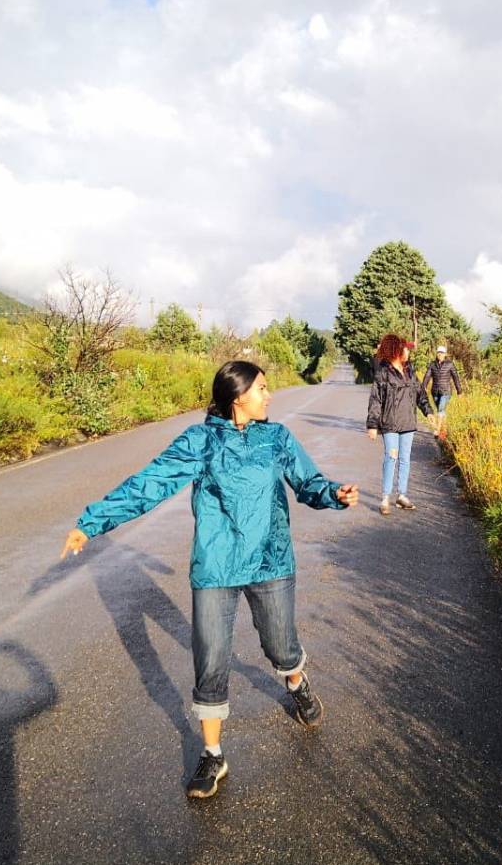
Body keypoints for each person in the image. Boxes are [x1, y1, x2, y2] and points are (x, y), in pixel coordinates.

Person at [59, 361, 359, 800]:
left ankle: (296, 682)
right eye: (261, 389)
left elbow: (307, 481)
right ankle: (213, 754)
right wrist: (93, 522)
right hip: (216, 565)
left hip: (271, 560)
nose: (268, 396)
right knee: (211, 656)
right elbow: (150, 483)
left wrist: (333, 493)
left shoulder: (276, 438)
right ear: (236, 397)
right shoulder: (200, 441)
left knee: (280, 645)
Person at [366, 333, 431, 516]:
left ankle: (402, 495)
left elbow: (420, 394)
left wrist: (429, 412)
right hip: (390, 424)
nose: (407, 351)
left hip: (408, 423)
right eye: (405, 348)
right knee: (391, 457)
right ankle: (385, 498)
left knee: (405, 459)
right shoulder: (383, 373)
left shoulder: (410, 371)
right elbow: (376, 400)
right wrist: (372, 425)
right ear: (396, 350)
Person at [421, 344, 462, 438]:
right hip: (435, 391)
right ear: (436, 354)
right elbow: (427, 376)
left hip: (446, 391)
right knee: (441, 411)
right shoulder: (432, 364)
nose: (440, 354)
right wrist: (423, 386)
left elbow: (456, 377)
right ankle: (444, 431)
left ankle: (437, 430)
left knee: (440, 409)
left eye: (442, 353)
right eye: (439, 352)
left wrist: (459, 391)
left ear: (445, 354)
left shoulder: (450, 364)